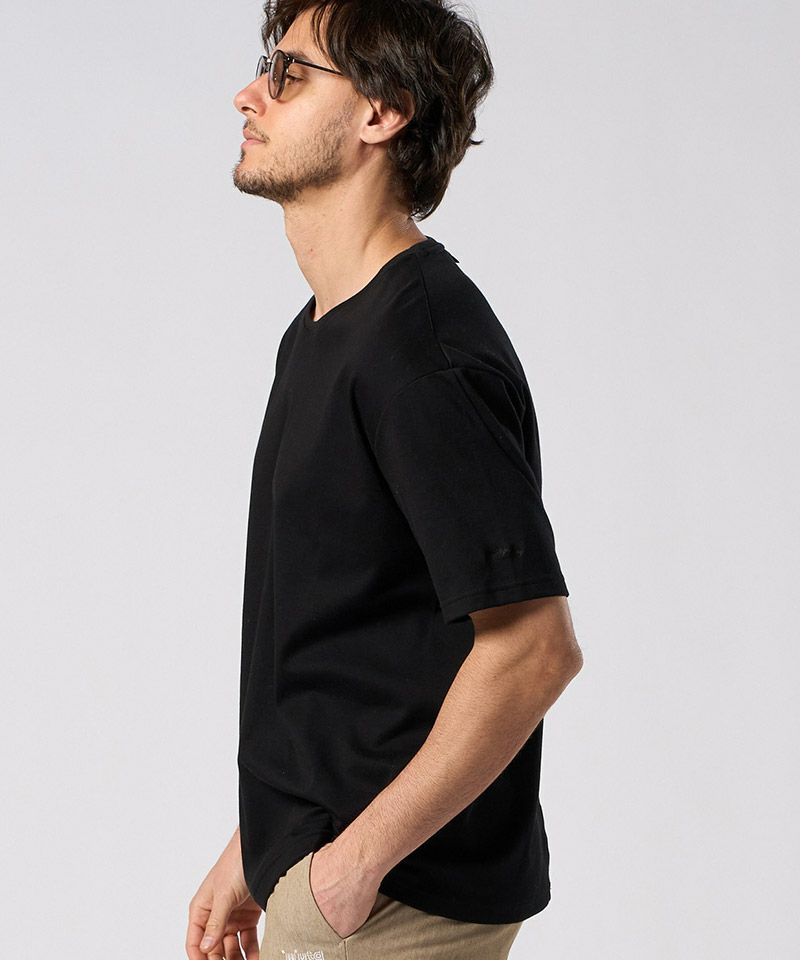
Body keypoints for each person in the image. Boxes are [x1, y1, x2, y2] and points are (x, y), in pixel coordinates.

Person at [186, 2, 584, 958]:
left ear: (381, 112)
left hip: (398, 895)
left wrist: (351, 868)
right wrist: (259, 842)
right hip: (327, 873)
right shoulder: (324, 332)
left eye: (288, 74)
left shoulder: (420, 353)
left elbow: (535, 649)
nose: (248, 95)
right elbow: (360, 645)